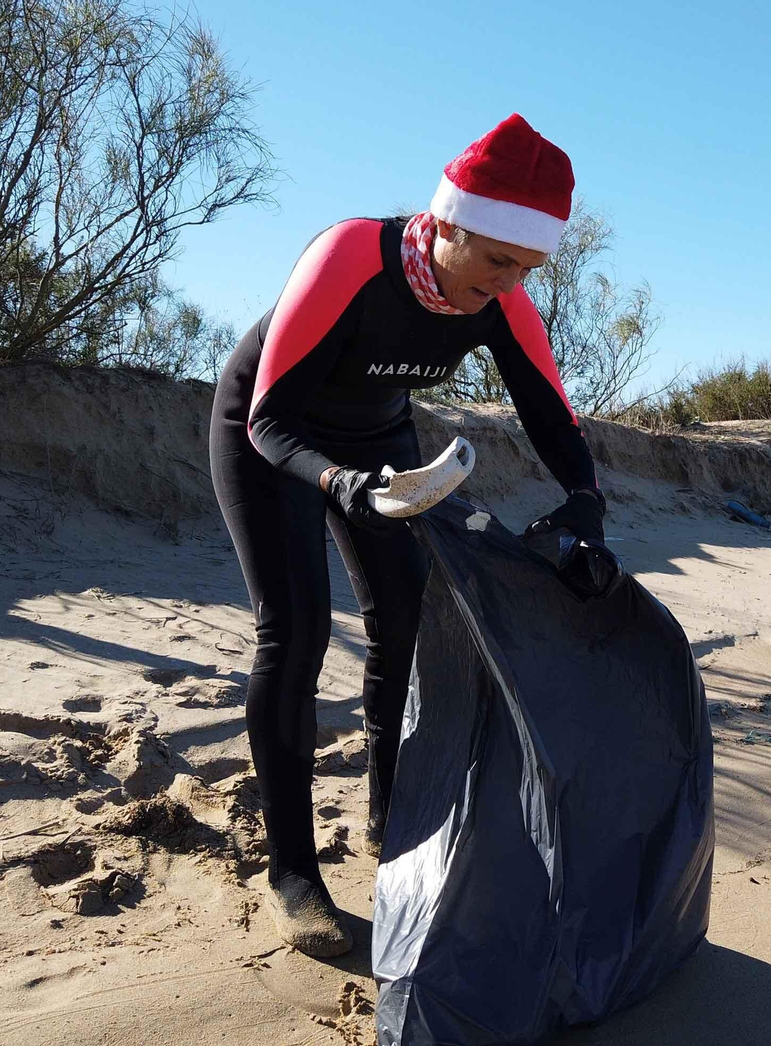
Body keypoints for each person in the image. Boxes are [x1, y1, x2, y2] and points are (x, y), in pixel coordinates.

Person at [208, 114, 606, 956]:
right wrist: (336, 484)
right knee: (296, 632)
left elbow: (551, 413)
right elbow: (270, 419)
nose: (507, 283)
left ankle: (392, 823)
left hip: (376, 438)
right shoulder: (351, 256)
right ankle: (292, 875)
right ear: (451, 222)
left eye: (526, 269)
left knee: (404, 621)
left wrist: (585, 501)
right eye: (497, 260)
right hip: (268, 437)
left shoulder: (499, 298)